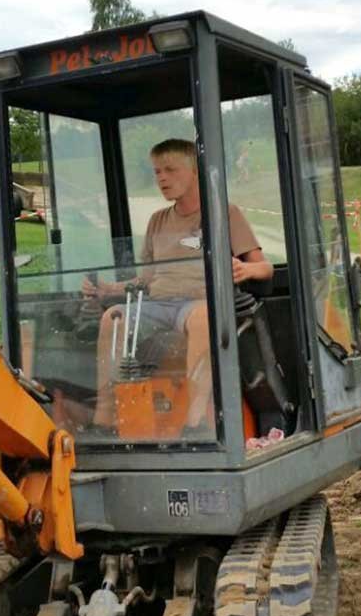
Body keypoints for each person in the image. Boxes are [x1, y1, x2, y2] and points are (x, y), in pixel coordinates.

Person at [84, 138, 273, 434]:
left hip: (198, 303)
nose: (161, 178)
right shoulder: (157, 221)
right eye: (157, 172)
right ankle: (106, 418)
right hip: (157, 304)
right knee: (114, 318)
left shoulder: (224, 213)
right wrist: (108, 289)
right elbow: (146, 279)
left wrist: (246, 268)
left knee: (201, 318)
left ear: (194, 171)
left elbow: (265, 267)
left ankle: (193, 420)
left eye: (170, 169)